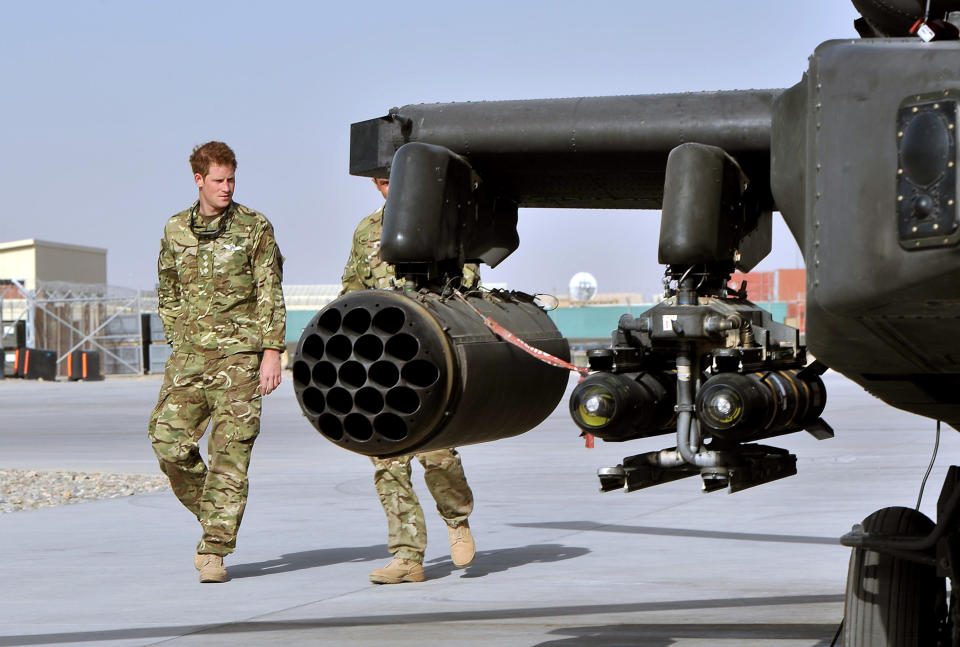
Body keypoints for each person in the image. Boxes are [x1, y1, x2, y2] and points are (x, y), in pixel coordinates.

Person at [148, 141, 286, 583]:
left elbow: (270, 292)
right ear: (199, 180)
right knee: (167, 443)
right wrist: (178, 335)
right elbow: (167, 288)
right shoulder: (175, 230)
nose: (227, 187)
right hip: (189, 358)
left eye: (231, 180)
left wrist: (271, 352)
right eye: (219, 180)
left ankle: (214, 550)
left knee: (230, 457)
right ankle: (215, 514)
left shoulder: (254, 227)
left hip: (241, 359)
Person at [341, 175, 476, 584]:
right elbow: (351, 288)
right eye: (382, 182)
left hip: (429, 360)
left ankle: (456, 518)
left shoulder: (441, 223)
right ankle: (407, 556)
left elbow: (468, 279)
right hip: (381, 363)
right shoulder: (367, 230)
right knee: (387, 461)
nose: (389, 189)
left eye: (395, 180)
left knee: (438, 455)